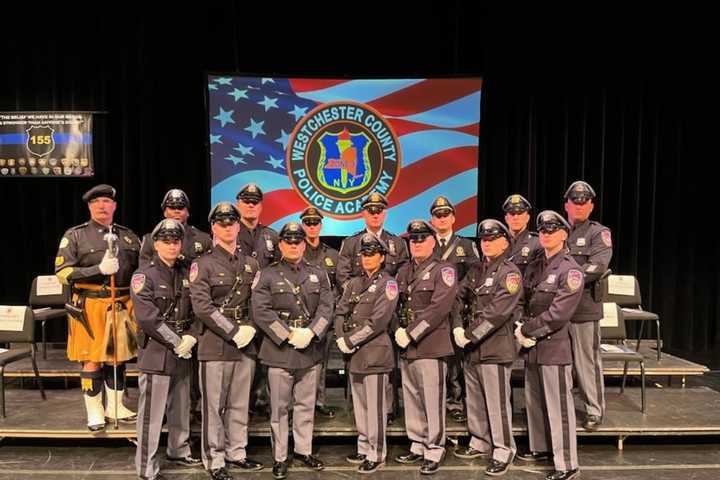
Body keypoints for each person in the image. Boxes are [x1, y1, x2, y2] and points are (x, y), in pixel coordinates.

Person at [251, 221, 334, 480]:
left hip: (309, 348)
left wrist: (311, 332)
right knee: (279, 408)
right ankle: (280, 456)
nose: (294, 245)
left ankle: (303, 450)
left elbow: (326, 307)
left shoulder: (319, 273)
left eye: (298, 241)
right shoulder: (266, 274)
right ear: (281, 244)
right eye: (289, 241)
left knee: (306, 405)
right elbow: (261, 311)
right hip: (279, 350)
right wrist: (288, 334)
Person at [55, 184, 140, 432]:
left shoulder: (128, 236)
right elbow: (62, 273)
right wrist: (97, 270)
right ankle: (95, 412)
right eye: (96, 202)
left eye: (106, 201)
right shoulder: (75, 236)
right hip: (90, 304)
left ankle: (116, 407)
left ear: (114, 205)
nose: (102, 206)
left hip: (122, 303)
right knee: (91, 359)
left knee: (118, 357)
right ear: (89, 206)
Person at [189, 202, 264, 480]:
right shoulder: (202, 264)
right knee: (213, 405)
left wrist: (252, 328)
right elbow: (202, 307)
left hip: (246, 343)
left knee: (239, 403)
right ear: (213, 228)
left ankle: (237, 452)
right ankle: (215, 458)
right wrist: (233, 331)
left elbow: (260, 303)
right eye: (222, 223)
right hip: (216, 343)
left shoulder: (251, 263)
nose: (228, 227)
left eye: (232, 222)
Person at [515, 210, 583, 480]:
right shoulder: (535, 264)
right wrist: (520, 327)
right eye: (542, 230)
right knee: (535, 403)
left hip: (553, 347)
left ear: (564, 234)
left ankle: (567, 464)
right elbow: (522, 299)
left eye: (552, 230)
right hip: (531, 347)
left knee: (559, 409)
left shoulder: (571, 269)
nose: (545, 234)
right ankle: (542, 448)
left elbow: (559, 314)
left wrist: (529, 330)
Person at [132, 219, 202, 480]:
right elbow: (147, 317)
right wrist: (177, 341)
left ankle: (179, 450)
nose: (172, 246)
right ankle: (146, 468)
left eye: (176, 241)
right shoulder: (144, 275)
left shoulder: (187, 272)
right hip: (157, 352)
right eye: (167, 241)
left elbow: (198, 309)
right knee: (151, 415)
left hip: (184, 351)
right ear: (156, 243)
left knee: (181, 408)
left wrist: (192, 337)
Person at [451, 219, 521, 476]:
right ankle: (480, 441)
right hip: (472, 349)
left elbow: (497, 313)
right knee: (476, 399)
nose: (487, 244)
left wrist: (469, 335)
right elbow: (458, 297)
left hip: (493, 346)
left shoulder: (510, 273)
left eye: (492, 239)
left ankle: (503, 449)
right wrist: (457, 327)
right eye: (483, 240)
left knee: (497, 402)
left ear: (505, 242)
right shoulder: (476, 270)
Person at [336, 191, 408, 423]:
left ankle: (386, 411)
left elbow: (403, 276)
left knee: (386, 364)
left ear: (385, 213)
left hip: (390, 310)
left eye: (379, 211)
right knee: (356, 365)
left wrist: (384, 300)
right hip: (360, 313)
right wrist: (363, 298)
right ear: (363, 213)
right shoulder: (350, 242)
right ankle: (360, 413)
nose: (375, 215)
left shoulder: (397, 243)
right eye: (371, 211)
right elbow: (343, 276)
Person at [393, 220, 457, 476]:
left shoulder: (444, 270)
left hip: (430, 344)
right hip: (406, 346)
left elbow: (439, 308)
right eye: (413, 240)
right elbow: (393, 304)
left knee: (432, 400)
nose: (417, 243)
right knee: (412, 398)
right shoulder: (402, 271)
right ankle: (417, 443)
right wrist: (398, 329)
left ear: (433, 241)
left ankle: (434, 448)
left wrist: (411, 333)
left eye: (421, 239)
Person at [334, 233, 398, 473]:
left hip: (375, 354)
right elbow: (340, 312)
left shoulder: (388, 283)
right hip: (354, 355)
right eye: (363, 254)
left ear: (381, 257)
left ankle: (377, 451)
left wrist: (349, 340)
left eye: (372, 254)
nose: (366, 258)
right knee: (360, 406)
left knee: (376, 408)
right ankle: (363, 446)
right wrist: (340, 337)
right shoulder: (353, 283)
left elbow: (378, 321)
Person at [563, 180, 613, 431]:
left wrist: (566, 280)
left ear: (591, 206)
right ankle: (566, 406)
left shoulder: (598, 233)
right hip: (559, 311)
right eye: (575, 202)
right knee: (563, 362)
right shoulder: (558, 232)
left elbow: (597, 267)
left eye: (584, 202)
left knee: (586, 361)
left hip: (584, 308)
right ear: (566, 205)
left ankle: (594, 409)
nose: (579, 206)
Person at [429, 195, 480, 423]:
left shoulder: (466, 245)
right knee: (434, 356)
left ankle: (455, 401)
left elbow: (474, 274)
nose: (441, 219)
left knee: (456, 358)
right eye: (437, 215)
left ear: (453, 218)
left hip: (458, 308)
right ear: (432, 219)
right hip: (432, 309)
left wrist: (455, 294)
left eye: (445, 215)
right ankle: (435, 400)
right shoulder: (425, 243)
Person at [235, 182, 279, 418]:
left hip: (266, 307)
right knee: (243, 358)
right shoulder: (230, 232)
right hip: (240, 307)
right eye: (246, 201)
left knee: (266, 356)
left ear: (261, 206)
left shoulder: (272, 236)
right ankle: (244, 404)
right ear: (238, 204)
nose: (251, 205)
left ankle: (262, 400)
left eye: (255, 202)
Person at [300, 206, 339, 419]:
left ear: (321, 226)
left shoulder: (332, 255)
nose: (312, 227)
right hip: (300, 320)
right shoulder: (294, 251)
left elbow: (340, 287)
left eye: (315, 223)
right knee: (300, 363)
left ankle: (319, 401)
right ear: (303, 225)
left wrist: (328, 313)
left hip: (325, 319)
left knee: (321, 362)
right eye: (308, 223)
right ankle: (298, 404)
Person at [139, 188, 212, 269]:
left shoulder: (204, 239)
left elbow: (210, 269)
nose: (177, 211)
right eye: (172, 208)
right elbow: (144, 269)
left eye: (180, 208)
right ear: (165, 212)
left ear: (187, 212)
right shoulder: (150, 240)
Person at [502, 194, 542, 276]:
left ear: (527, 218)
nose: (516, 217)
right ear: (506, 219)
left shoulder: (537, 243)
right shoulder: (497, 243)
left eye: (520, 213)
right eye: (512, 213)